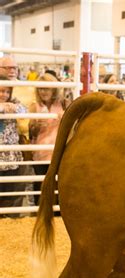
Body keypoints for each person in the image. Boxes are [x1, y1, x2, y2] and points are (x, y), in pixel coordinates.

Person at [28, 73, 66, 206]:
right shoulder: (35, 106)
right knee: (40, 184)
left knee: (58, 184)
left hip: (58, 151)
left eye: (47, 88)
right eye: (40, 88)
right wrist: (35, 126)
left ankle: (58, 213)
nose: (43, 92)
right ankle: (40, 211)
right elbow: (31, 133)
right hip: (41, 152)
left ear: (54, 89)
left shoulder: (63, 103)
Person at [0, 75, 27, 217]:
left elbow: (24, 110)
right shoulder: (5, 105)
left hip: (10, 159)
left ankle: (7, 221)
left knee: (9, 193)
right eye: (1, 91)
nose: (3, 94)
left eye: (7, 91)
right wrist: (2, 107)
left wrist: (14, 107)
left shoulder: (13, 103)